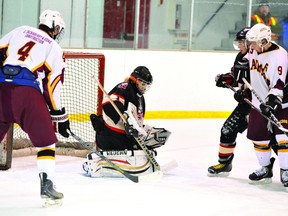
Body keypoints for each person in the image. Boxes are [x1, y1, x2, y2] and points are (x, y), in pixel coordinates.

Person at [0, 10, 70, 205]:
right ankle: (47, 185)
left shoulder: (20, 30)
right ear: (56, 28)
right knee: (46, 142)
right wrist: (60, 116)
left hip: (1, 90)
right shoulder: (54, 47)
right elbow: (51, 87)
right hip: (26, 95)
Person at [85, 66, 171, 177]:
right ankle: (101, 164)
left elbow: (137, 123)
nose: (144, 87)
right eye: (143, 84)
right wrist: (124, 118)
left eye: (146, 85)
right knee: (137, 145)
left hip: (123, 136)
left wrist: (141, 131)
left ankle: (141, 156)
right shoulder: (125, 87)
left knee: (158, 136)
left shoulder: (140, 98)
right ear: (135, 80)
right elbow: (109, 104)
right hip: (109, 135)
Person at [242, 23, 288, 188]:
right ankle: (265, 168)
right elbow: (244, 68)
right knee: (258, 137)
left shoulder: (280, 55)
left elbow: (278, 84)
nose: (250, 47)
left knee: (283, 138)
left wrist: (271, 102)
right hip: (258, 103)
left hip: (280, 102)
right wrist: (234, 78)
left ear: (264, 40)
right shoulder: (254, 50)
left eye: (253, 43)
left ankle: (286, 170)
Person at [207, 27, 252, 176]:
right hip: (246, 105)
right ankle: (224, 164)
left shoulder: (258, 58)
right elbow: (236, 77)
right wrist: (225, 79)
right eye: (238, 42)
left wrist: (246, 93)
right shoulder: (240, 57)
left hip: (260, 105)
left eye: (241, 42)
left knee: (270, 138)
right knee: (227, 130)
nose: (239, 45)